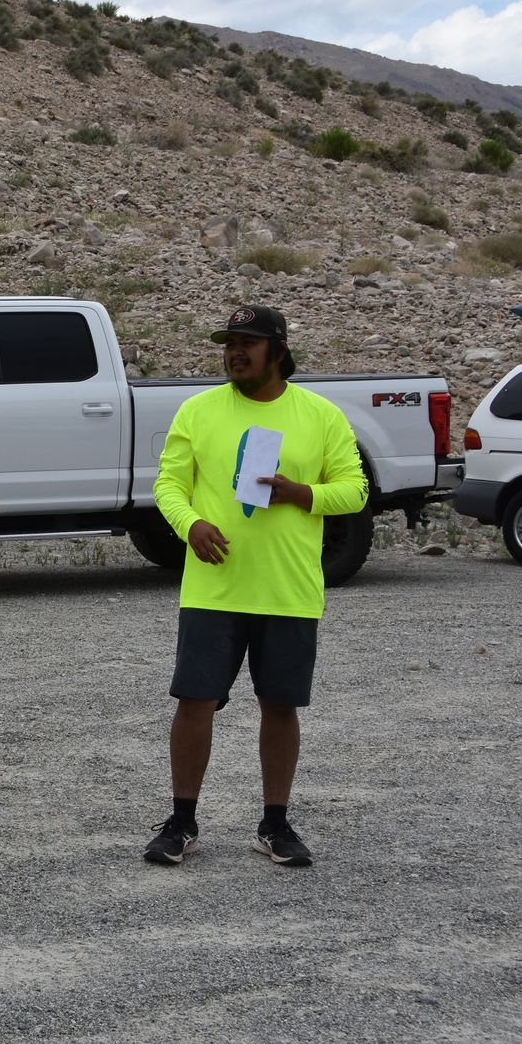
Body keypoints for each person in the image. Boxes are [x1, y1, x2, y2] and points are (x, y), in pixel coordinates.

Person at [142, 305, 366, 869]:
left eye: (249, 342)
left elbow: (355, 490)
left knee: (280, 705)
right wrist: (190, 525)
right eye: (229, 342)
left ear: (279, 349)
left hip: (288, 589)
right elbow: (168, 485)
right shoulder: (198, 411)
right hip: (214, 588)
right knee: (194, 701)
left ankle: (275, 824)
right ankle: (182, 821)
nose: (235, 351)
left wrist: (301, 494)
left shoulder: (320, 416)